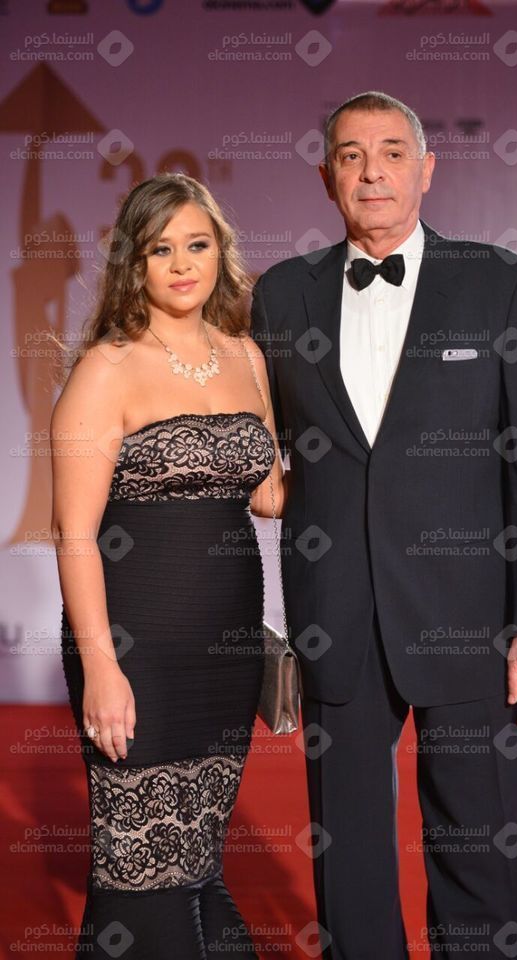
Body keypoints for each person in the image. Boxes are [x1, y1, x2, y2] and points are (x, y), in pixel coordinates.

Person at [251, 91, 517, 959]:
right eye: (351, 156)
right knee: (348, 853)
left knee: (481, 843)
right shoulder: (281, 296)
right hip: (336, 614)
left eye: (393, 152)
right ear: (326, 177)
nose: (373, 172)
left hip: (472, 613)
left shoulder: (500, 283)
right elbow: (257, 449)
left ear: (428, 169)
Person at [51, 172, 284, 958]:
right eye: (161, 249)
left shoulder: (247, 356)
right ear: (133, 262)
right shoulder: (106, 369)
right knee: (140, 864)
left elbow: (269, 495)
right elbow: (74, 534)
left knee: (194, 857)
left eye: (198, 244)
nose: (183, 264)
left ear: (221, 252)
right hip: (135, 646)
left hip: (225, 647)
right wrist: (101, 666)